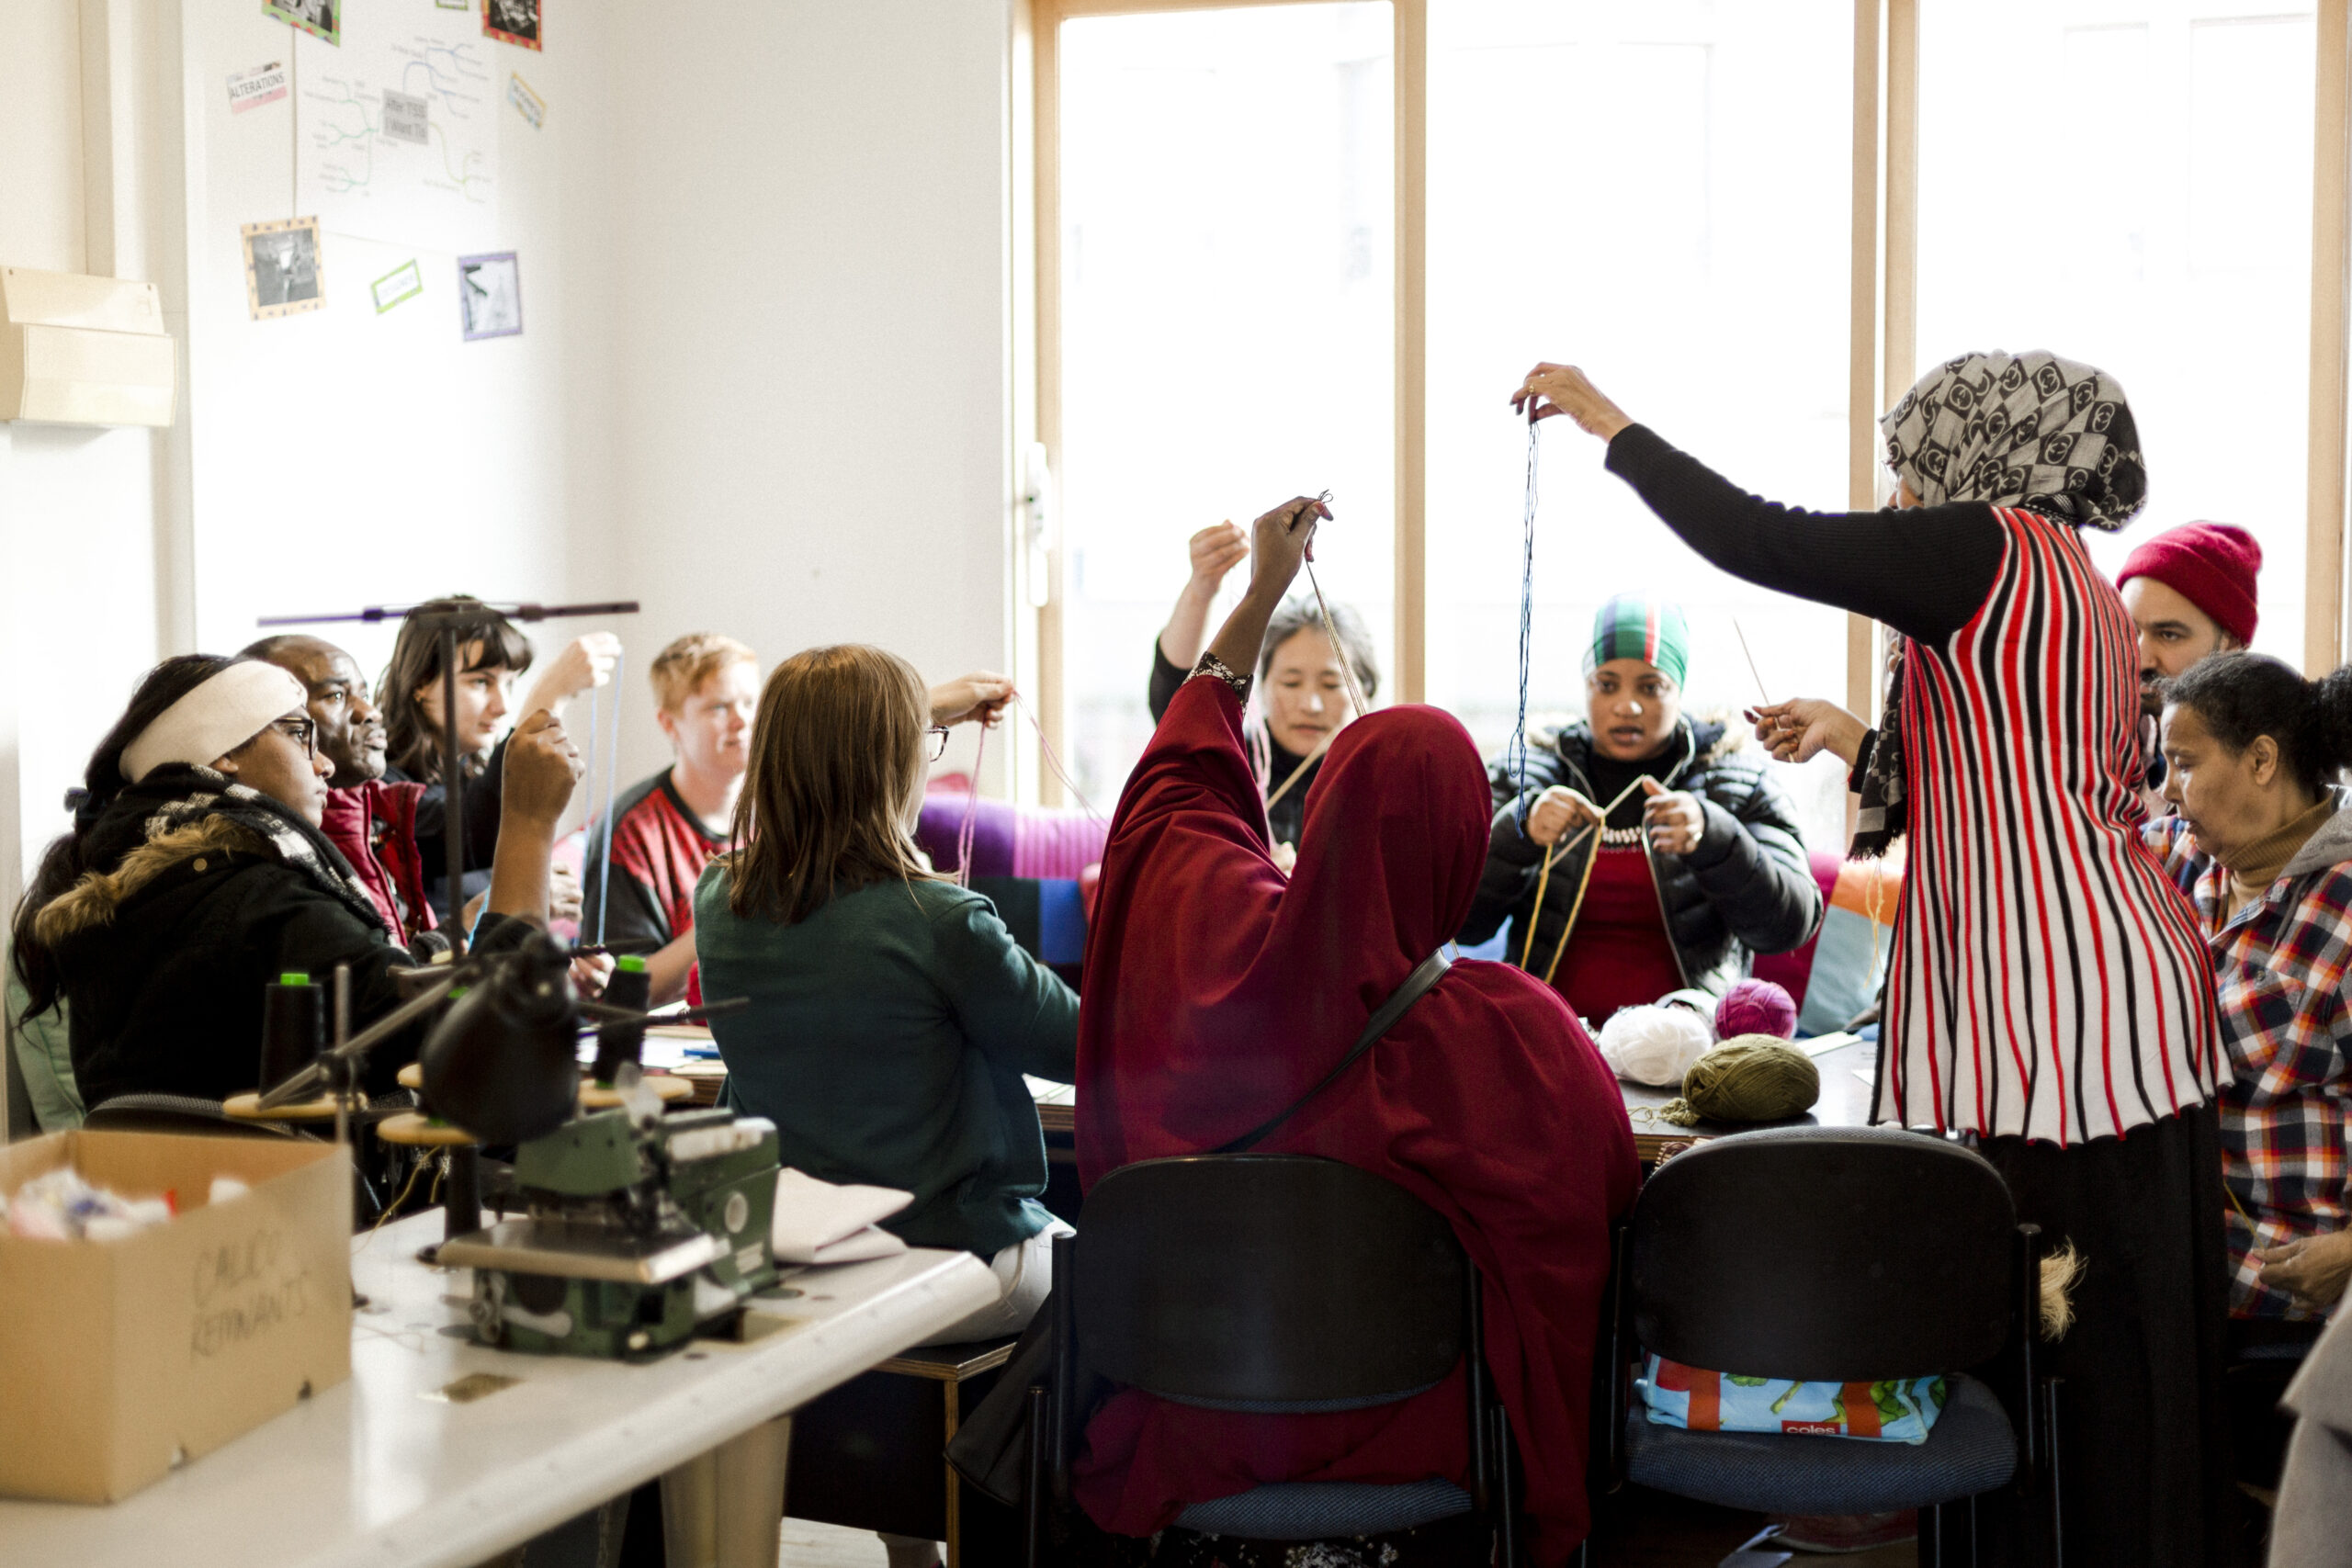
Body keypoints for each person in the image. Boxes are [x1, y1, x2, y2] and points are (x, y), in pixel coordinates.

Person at [1516, 350, 2229, 1565]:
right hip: (2109, 997)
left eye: (1912, 454)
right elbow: (2001, 766)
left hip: (2063, 1018)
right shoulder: (2070, 581)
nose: (1898, 485)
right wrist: (1859, 733)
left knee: (2079, 1386)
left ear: (1980, 450)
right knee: (2120, 1388)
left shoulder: (1982, 545)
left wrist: (1609, 423)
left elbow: (1762, 537)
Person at [1077, 496, 1638, 1565]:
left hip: (1212, 1407)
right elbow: (1605, 1211)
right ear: (1465, 844)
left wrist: (1256, 598)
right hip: (1430, 1429)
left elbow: (1170, 797)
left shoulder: (1209, 953)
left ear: (1324, 806)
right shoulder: (1520, 1032)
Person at [9, 655, 582, 1110]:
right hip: (307, 1215)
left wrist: (459, 932)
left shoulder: (146, 888)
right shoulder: (257, 896)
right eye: (299, 734)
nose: (325, 763)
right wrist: (529, 825)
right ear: (226, 753)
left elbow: (367, 993)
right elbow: (486, 1047)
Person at [693, 649, 1068, 1332]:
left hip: (783, 1253)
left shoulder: (720, 897)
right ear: (894, 763)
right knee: (1112, 1278)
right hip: (943, 1257)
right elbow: (1082, 1045)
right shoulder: (943, 922)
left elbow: (823, 747)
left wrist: (910, 709)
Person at [1459, 592, 1819, 1021]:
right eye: (1606, 684)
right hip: (1547, 1042)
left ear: (1679, 690)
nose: (1626, 705)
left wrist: (1715, 836)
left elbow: (1789, 926)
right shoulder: (1526, 776)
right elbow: (1461, 925)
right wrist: (1520, 835)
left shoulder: (1737, 783)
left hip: (1694, 1048)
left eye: (1651, 687)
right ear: (1586, 686)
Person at [2147, 654, 2352, 1321]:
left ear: (2261, 760)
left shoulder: (2343, 907)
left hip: (2289, 1277)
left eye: (2184, 762)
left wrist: (2350, 1251)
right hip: (2188, 1248)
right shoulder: (2185, 860)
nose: (2168, 790)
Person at [376, 596, 617, 923]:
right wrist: (550, 694)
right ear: (421, 682)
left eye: (509, 683)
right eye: (480, 681)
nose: (502, 705)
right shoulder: (379, 788)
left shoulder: (468, 777)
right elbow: (477, 828)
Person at [1148, 521, 1380, 859]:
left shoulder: (1383, 779)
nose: (1311, 704)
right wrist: (1201, 588)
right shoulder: (1235, 763)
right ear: (1263, 686)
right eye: (1290, 682)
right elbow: (1176, 706)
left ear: (1367, 689)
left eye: (1330, 684)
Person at [581, 634, 760, 1004]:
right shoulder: (630, 831)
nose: (742, 721)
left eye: (750, 702)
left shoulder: (785, 807)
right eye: (718, 708)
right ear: (669, 724)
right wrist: (721, 913)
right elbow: (620, 989)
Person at [243, 633, 437, 944]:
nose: (370, 712)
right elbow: (370, 982)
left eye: (363, 693)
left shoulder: (378, 811)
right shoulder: (269, 861)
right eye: (336, 696)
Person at [2119, 522, 2262, 810]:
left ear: (2232, 644)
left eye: (2168, 635)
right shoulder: (2107, 737)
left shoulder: (2260, 765)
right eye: (2128, 632)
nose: (2140, 658)